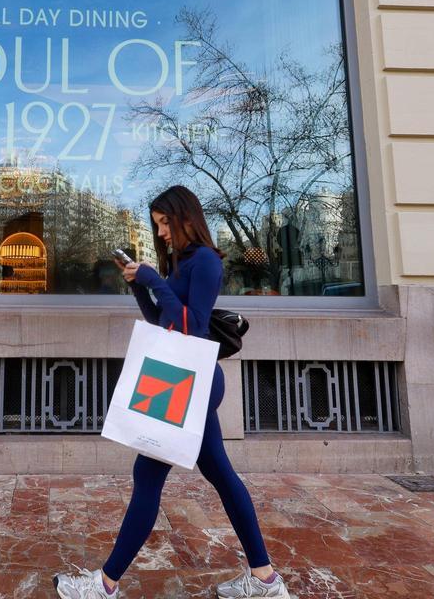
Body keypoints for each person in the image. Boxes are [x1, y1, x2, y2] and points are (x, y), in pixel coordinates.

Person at [53, 186, 291, 598]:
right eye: (157, 225)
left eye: (165, 223)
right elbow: (161, 319)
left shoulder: (205, 263)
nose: (161, 232)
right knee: (220, 473)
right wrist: (139, 286)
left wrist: (153, 279)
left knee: (147, 475)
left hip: (190, 383)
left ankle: (104, 586)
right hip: (180, 381)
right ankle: (265, 578)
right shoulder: (181, 263)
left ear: (185, 218)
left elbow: (193, 328)